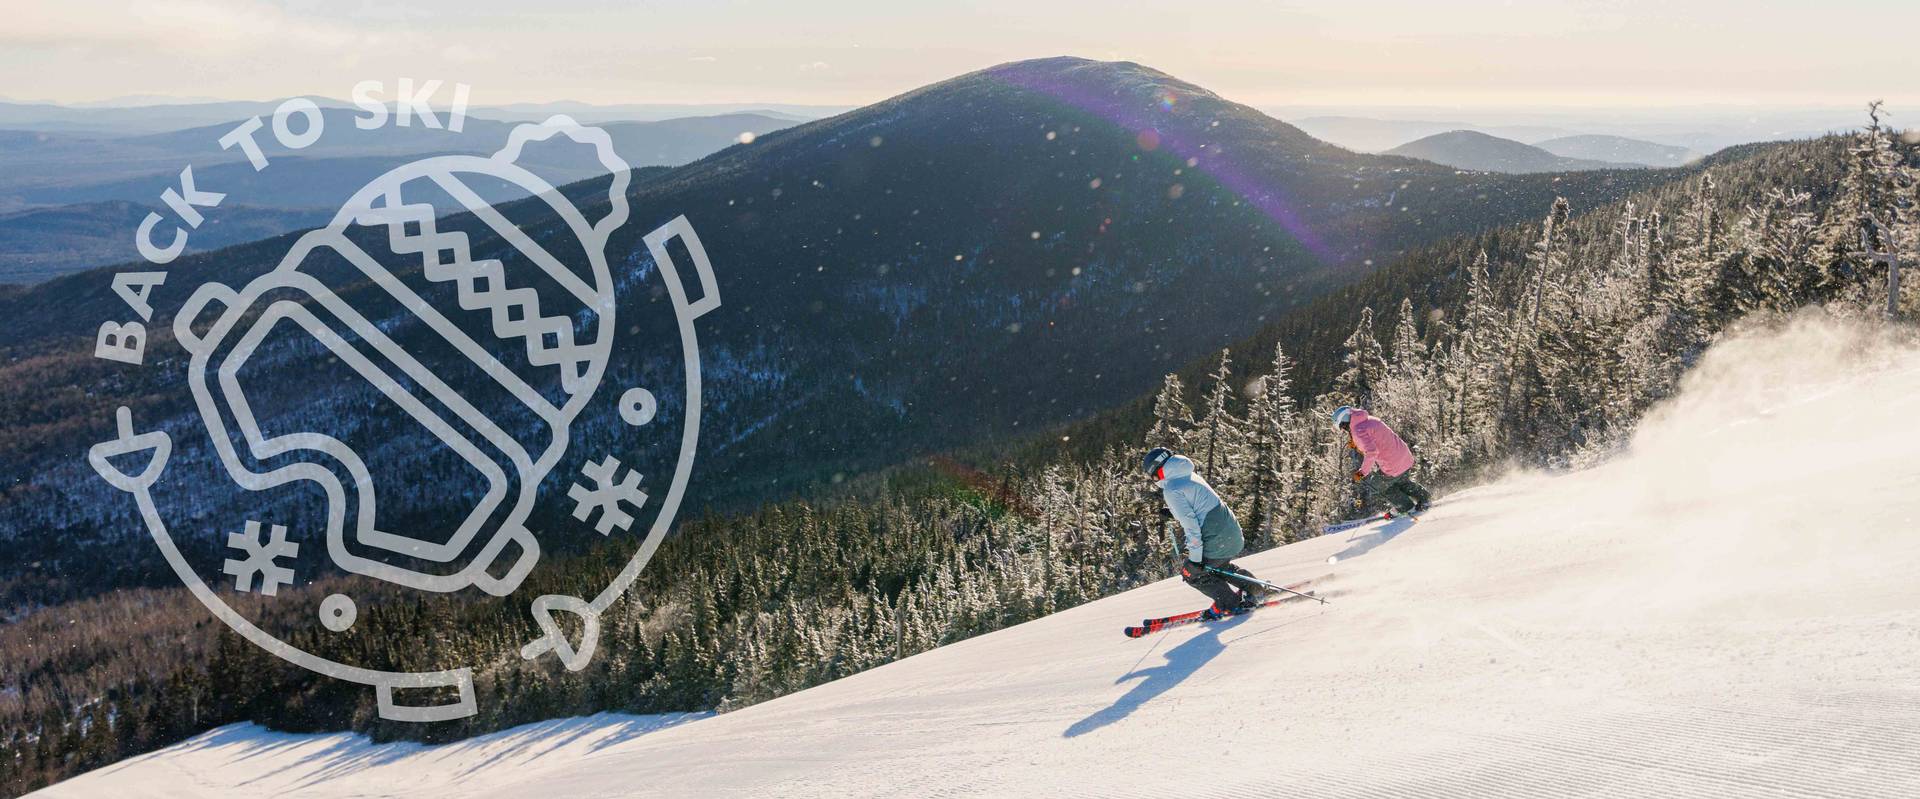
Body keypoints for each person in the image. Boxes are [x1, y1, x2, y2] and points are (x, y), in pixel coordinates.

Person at [1142, 447, 1270, 618]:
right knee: (1217, 567)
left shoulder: (1171, 489)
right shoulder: (1189, 474)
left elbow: (1192, 528)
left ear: (1156, 472)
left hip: (1218, 540)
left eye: (1152, 477)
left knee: (1192, 573)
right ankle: (1256, 589)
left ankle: (1229, 604)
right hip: (1233, 535)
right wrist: (1174, 512)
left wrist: (1194, 561)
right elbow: (1200, 505)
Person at [1333, 406, 1432, 516]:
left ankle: (1405, 506)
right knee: (1400, 481)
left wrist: (1362, 473)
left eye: (1343, 426)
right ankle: (1424, 497)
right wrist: (1357, 444)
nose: (1345, 430)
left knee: (1377, 486)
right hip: (1404, 455)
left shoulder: (1358, 430)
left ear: (1345, 421)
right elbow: (1377, 439)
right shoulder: (1368, 419)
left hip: (1392, 463)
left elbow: (1371, 452)